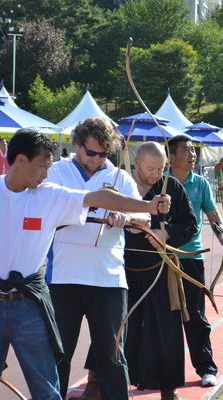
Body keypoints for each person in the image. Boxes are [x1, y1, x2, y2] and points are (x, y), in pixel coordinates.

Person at [0, 128, 171, 400]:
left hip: (29, 304)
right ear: (21, 161)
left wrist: (148, 207)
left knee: (47, 389)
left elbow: (98, 197)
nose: (47, 173)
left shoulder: (49, 195)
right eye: (43, 166)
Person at [78, 142, 197, 400]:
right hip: (120, 269)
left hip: (159, 270)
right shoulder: (120, 184)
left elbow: (190, 224)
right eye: (150, 168)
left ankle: (169, 389)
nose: (156, 174)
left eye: (161, 168)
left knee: (166, 330)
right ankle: (96, 382)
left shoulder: (171, 186)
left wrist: (167, 233)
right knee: (111, 327)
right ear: (137, 163)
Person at [45, 118, 150, 400]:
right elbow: (45, 208)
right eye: (91, 152)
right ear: (77, 145)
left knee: (112, 357)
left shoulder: (120, 177)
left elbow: (145, 217)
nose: (96, 159)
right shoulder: (57, 172)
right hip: (63, 277)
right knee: (57, 354)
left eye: (103, 154)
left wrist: (126, 217)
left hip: (109, 280)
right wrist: (87, 205)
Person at [169, 135, 223, 388]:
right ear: (171, 156)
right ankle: (164, 372)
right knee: (164, 316)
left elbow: (213, 215)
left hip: (192, 256)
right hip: (164, 256)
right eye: (185, 150)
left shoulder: (200, 183)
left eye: (193, 150)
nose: (192, 154)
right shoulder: (162, 181)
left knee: (195, 315)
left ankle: (206, 368)